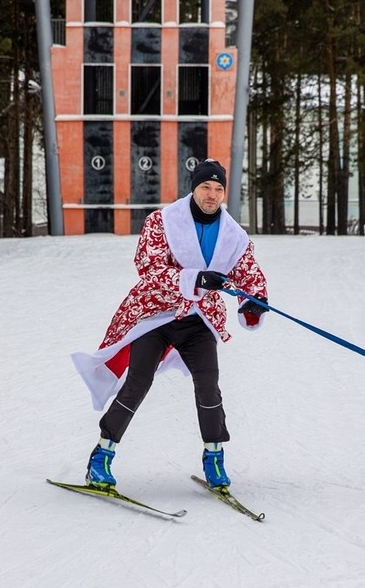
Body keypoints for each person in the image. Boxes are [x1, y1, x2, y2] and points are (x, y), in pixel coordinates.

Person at [70, 159, 268, 491]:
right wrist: (194, 277)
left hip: (198, 319)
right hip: (156, 316)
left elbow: (249, 274)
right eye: (206, 187)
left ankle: (214, 456)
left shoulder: (233, 235)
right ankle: (101, 456)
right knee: (137, 383)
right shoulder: (162, 221)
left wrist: (252, 301)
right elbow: (149, 267)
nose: (212, 195)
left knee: (209, 384)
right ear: (194, 188)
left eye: (218, 189)